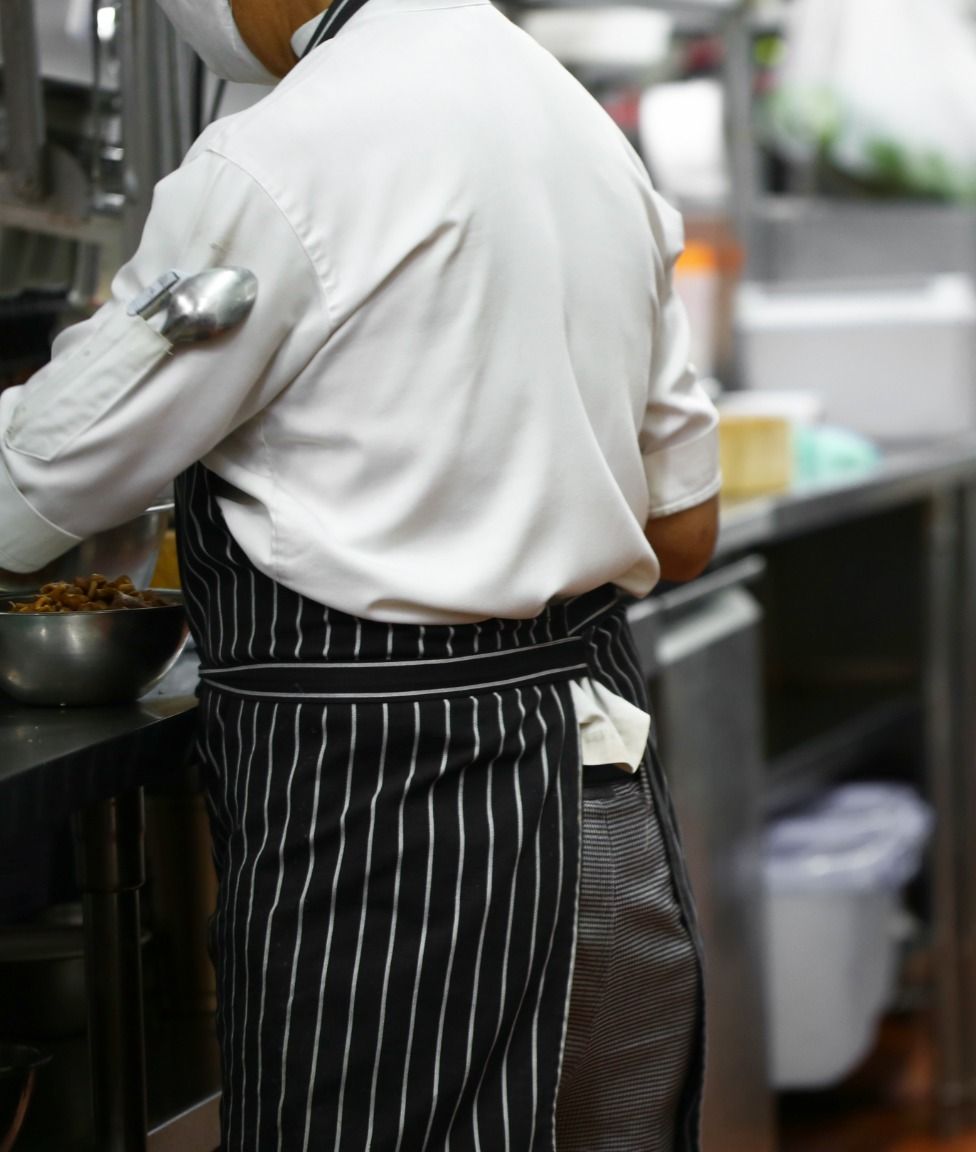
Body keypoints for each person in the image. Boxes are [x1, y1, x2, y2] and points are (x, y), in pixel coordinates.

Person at [0, 0, 720, 1146]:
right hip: (596, 794)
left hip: (390, 833)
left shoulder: (282, 153)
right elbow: (685, 528)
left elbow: (37, 484)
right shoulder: (585, 131)